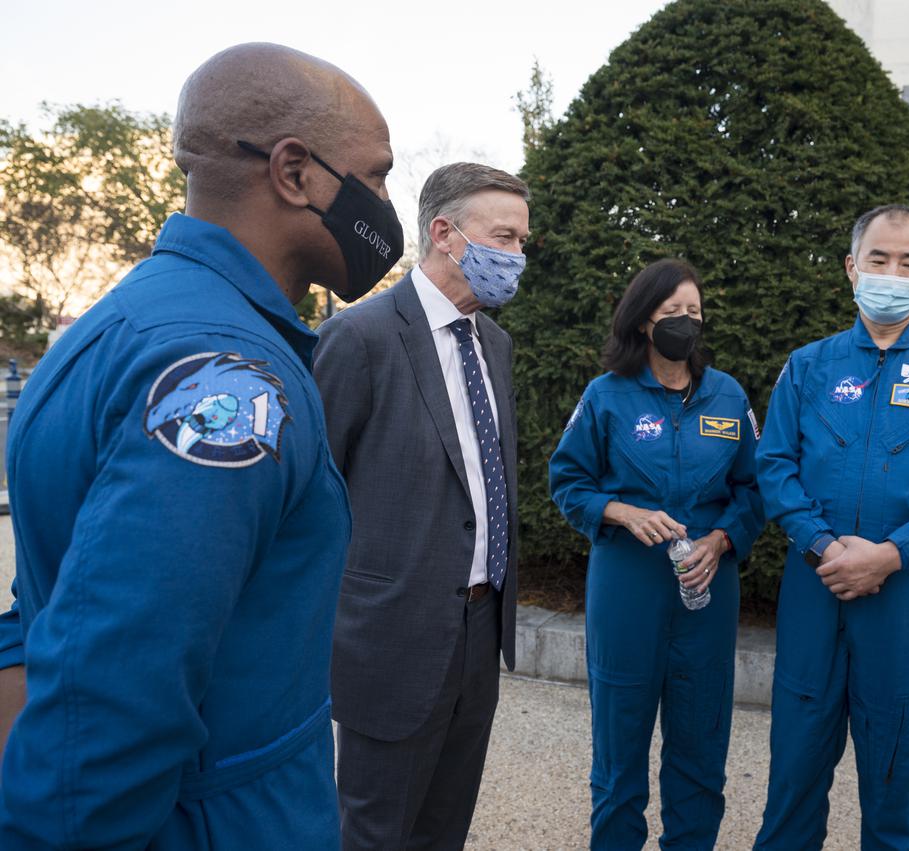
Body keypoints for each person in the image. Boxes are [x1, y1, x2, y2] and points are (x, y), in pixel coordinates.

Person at [0, 43, 402, 847]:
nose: (385, 205)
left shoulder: (119, 324)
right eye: (378, 175)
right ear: (295, 173)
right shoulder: (227, 382)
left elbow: (41, 615)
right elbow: (118, 706)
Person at [753, 204, 909, 850]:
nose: (892, 273)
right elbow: (775, 465)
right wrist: (822, 542)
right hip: (816, 587)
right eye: (879, 259)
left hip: (906, 595)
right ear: (851, 267)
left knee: (898, 778)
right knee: (795, 770)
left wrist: (893, 552)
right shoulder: (808, 366)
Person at [313, 162, 528, 850]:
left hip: (480, 626)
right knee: (376, 833)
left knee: (444, 828)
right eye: (505, 237)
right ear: (445, 233)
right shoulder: (361, 337)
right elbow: (313, 501)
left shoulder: (494, 344)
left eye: (524, 242)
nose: (517, 257)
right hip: (391, 638)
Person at [549, 258, 765, 850]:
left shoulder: (727, 396)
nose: (686, 323)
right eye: (673, 313)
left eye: (694, 312)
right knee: (619, 752)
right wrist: (623, 511)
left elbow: (754, 488)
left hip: (707, 594)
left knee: (700, 748)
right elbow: (568, 481)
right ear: (645, 321)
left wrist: (721, 540)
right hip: (627, 591)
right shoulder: (606, 397)